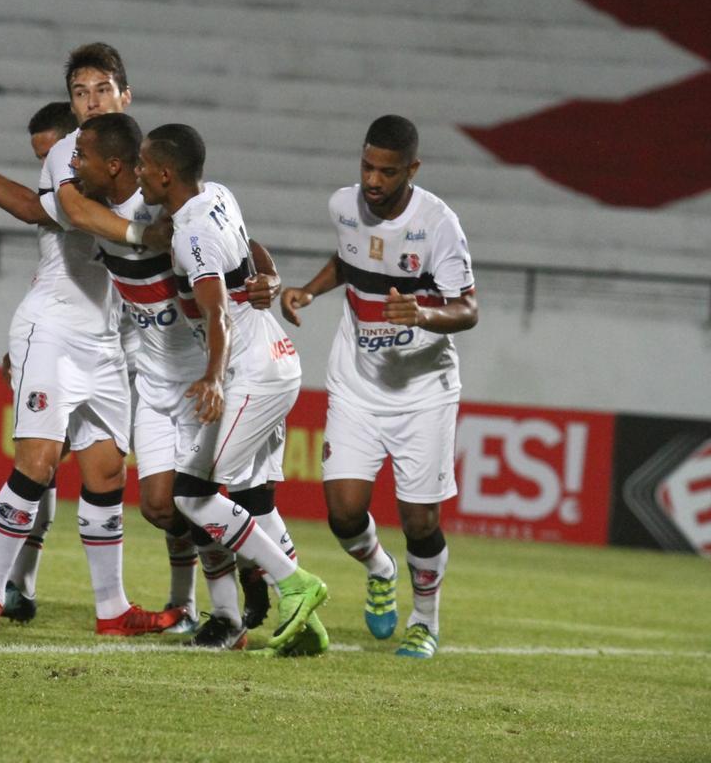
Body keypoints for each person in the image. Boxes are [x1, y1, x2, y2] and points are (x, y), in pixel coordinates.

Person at [0, 42, 184, 635]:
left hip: (108, 341)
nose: (91, 100)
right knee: (38, 462)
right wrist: (143, 232)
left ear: (125, 94)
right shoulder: (71, 155)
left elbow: (193, 217)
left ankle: (112, 610)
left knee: (105, 475)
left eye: (101, 89)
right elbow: (68, 212)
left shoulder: (150, 159)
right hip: (52, 328)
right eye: (80, 92)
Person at [71, 113, 299, 648]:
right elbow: (57, 204)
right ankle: (249, 572)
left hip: (204, 373)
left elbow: (244, 246)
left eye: (82, 157)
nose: (73, 168)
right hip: (154, 380)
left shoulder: (179, 217)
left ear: (127, 166)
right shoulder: (93, 211)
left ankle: (230, 612)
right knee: (161, 506)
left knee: (218, 497)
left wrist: (270, 276)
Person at [279, 114, 478, 659]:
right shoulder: (344, 206)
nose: (372, 180)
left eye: (386, 172)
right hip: (357, 383)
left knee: (420, 520)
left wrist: (422, 314)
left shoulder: (438, 223)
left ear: (411, 169)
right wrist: (309, 291)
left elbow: (469, 308)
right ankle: (379, 568)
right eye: (367, 166)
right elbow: (349, 262)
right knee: (343, 512)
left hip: (423, 390)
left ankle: (425, 622)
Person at [136, 123, 330, 656]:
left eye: (144, 166)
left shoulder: (191, 235)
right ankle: (302, 627)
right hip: (274, 361)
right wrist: (267, 275)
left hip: (251, 373)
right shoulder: (218, 194)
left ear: (166, 173)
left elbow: (217, 312)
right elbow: (252, 247)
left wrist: (213, 378)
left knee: (195, 496)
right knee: (247, 501)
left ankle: (294, 583)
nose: (139, 174)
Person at [0, 101, 78, 622]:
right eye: (39, 158)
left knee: (163, 492)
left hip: (121, 348)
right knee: (43, 463)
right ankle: (16, 590)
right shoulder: (69, 196)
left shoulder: (106, 190)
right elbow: (63, 272)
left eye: (52, 154)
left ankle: (191, 603)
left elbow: (29, 206)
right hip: (66, 339)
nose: (46, 166)